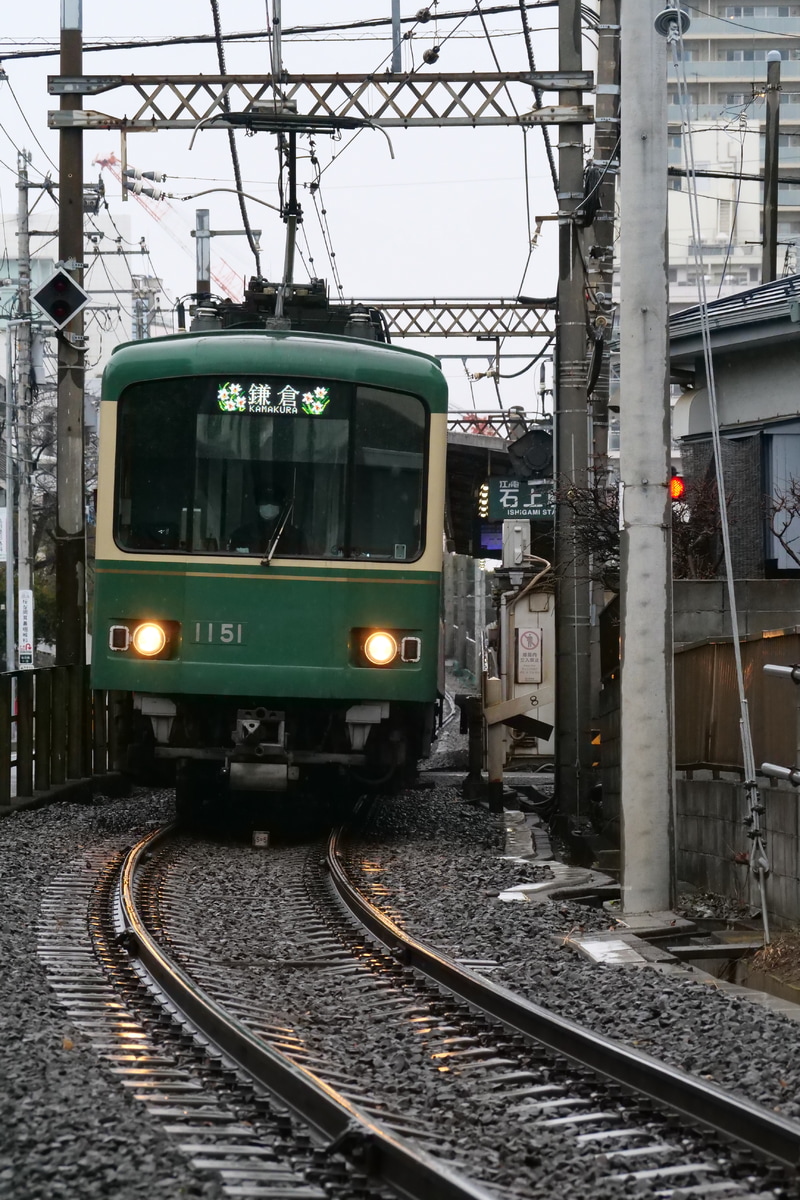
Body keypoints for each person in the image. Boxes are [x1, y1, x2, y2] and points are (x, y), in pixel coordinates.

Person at [227, 482, 306, 556]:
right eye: (264, 501)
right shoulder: (241, 534)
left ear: (281, 506)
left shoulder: (295, 536)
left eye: (274, 502)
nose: (269, 505)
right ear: (257, 506)